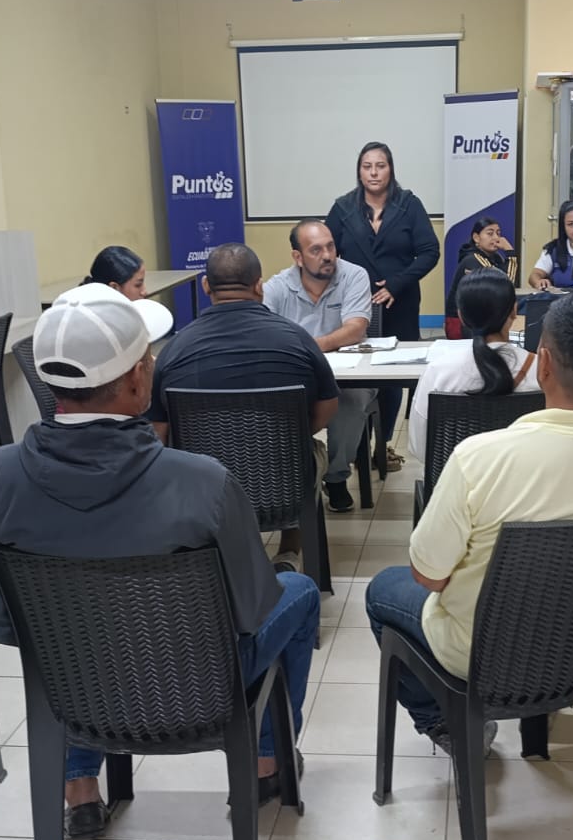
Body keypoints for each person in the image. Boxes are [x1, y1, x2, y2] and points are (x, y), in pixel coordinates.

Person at [0, 283, 319, 840]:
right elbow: (251, 611)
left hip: (74, 689)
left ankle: (80, 787)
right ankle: (266, 763)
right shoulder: (203, 482)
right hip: (198, 691)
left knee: (74, 632)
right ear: (138, 378)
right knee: (299, 592)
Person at [365, 291, 573, 753]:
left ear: (544, 364)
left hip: (487, 654)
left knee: (382, 590)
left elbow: (428, 576)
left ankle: (445, 723)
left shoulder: (479, 459)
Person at [153, 242, 340, 570]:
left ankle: (225, 563)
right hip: (286, 484)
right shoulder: (297, 339)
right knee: (306, 452)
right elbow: (328, 408)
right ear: (259, 286)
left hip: (205, 493)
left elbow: (159, 433)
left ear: (206, 286)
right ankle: (289, 552)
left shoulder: (174, 350)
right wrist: (290, 431)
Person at [324, 141, 439, 469]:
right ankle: (356, 446)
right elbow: (327, 252)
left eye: (380, 166)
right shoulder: (343, 208)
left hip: (399, 302)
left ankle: (383, 444)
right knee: (355, 376)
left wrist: (397, 284)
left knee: (392, 375)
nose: (374, 173)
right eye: (367, 166)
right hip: (355, 306)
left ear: (391, 169)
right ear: (359, 171)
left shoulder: (408, 204)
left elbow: (429, 251)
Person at [262, 219, 376, 515]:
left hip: (348, 376)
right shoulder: (277, 287)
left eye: (330, 247)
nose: (327, 256)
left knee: (352, 401)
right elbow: (261, 330)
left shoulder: (354, 275)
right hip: (298, 376)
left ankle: (335, 476)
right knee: (268, 400)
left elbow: (355, 328)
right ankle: (294, 474)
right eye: (316, 250)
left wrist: (309, 348)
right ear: (297, 257)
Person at [408, 270, 539, 465]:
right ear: (514, 310)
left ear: (461, 316)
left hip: (457, 482)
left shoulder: (439, 371)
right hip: (521, 482)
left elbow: (420, 448)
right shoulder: (540, 370)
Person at [443, 217, 517, 338]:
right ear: (476, 238)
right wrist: (510, 252)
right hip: (460, 321)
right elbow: (505, 285)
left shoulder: (495, 257)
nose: (496, 238)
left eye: (498, 233)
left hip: (480, 317)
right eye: (490, 233)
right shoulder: (472, 259)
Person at [528, 198, 573, 290]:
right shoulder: (553, 249)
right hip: (563, 298)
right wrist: (539, 282)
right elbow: (534, 275)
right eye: (571, 224)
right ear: (563, 227)